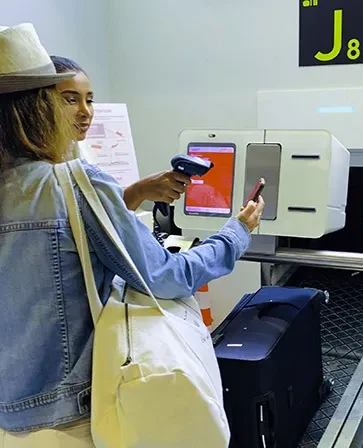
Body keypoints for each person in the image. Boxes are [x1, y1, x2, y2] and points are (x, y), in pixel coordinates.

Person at [0, 23, 264, 447]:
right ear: (35, 106)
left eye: (89, 100)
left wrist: (133, 194)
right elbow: (166, 277)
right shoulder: (73, 181)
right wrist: (236, 232)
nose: (82, 111)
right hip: (72, 415)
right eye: (64, 98)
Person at [50, 54, 191, 211]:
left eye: (89, 101)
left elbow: (101, 220)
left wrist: (140, 191)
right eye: (71, 100)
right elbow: (97, 226)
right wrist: (139, 190)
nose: (86, 112)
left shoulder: (75, 154)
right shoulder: (42, 176)